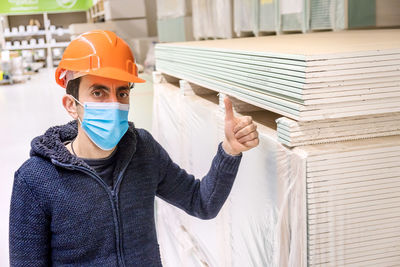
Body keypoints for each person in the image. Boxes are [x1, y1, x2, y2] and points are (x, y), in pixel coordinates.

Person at [9, 30, 259, 266]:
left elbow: (202, 203)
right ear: (71, 104)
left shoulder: (143, 151)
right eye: (98, 93)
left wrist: (230, 150)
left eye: (122, 93)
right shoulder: (35, 181)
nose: (113, 104)